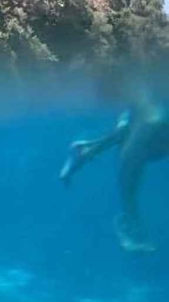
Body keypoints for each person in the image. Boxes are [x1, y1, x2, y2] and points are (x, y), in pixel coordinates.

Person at [60, 94, 169, 253]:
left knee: (135, 131)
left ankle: (85, 151)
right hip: (147, 126)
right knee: (140, 131)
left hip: (147, 128)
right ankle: (85, 150)